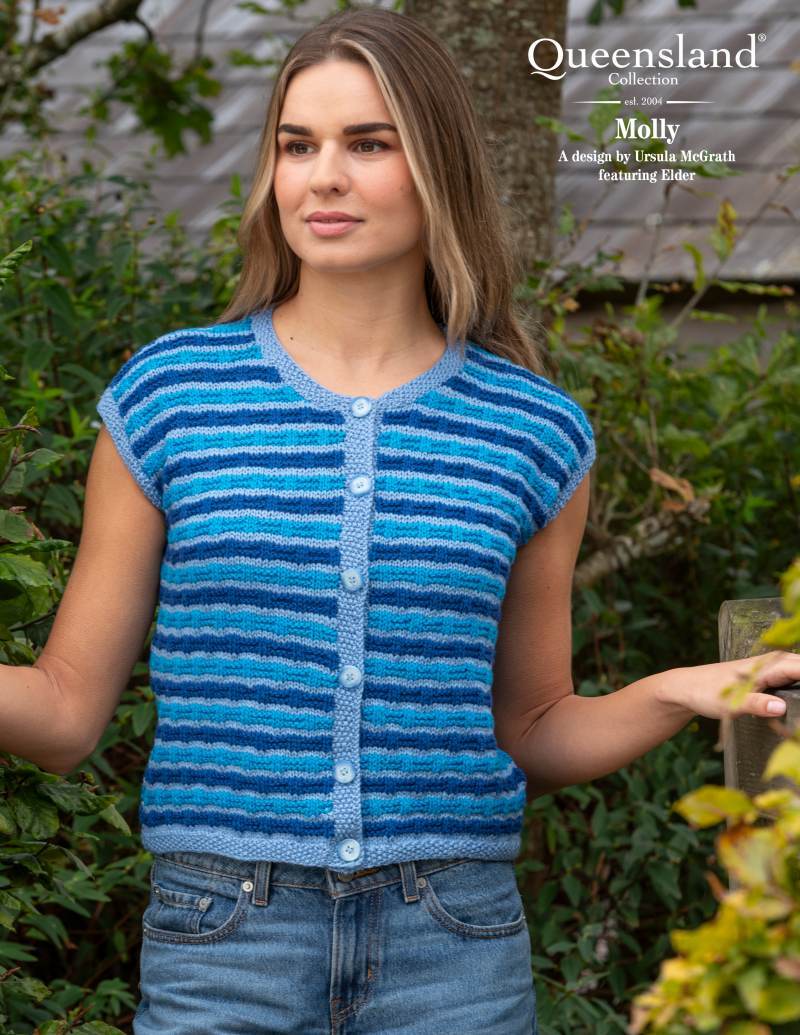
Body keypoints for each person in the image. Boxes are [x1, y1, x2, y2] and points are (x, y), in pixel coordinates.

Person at [8, 7, 798, 1034]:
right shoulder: (171, 398)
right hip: (222, 941)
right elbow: (66, 712)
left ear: (436, 169)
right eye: (297, 145)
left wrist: (675, 692)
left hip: (453, 950)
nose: (323, 177)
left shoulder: (532, 432)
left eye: (368, 144)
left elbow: (534, 727)